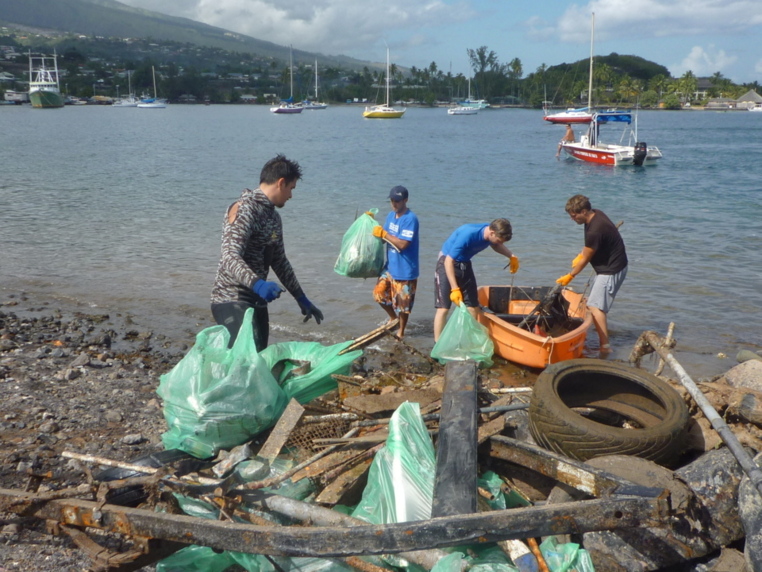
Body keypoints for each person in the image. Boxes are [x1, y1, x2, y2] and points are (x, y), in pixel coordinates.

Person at [210, 154, 323, 351]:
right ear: (281, 183)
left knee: (259, 359)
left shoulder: (273, 217)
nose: (291, 195)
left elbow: (279, 261)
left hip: (257, 301)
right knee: (244, 357)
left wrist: (301, 297)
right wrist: (258, 284)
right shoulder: (244, 209)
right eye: (291, 188)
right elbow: (229, 256)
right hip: (231, 298)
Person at [556, 194, 627, 354]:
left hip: (611, 270)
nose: (572, 219)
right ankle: (602, 342)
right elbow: (590, 248)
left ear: (583, 211)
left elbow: (586, 259)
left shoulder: (595, 229)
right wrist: (581, 254)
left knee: (596, 307)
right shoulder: (596, 214)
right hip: (610, 267)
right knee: (594, 304)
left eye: (574, 216)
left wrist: (571, 275)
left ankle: (605, 347)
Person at [434, 219, 519, 341]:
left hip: (465, 263)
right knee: (443, 308)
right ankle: (437, 344)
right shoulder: (468, 234)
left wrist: (511, 256)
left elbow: (496, 245)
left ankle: (468, 341)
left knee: (473, 307)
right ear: (492, 233)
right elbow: (449, 261)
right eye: (499, 240)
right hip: (446, 262)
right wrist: (455, 288)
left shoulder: (492, 235)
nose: (499, 243)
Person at [371, 185, 420, 338]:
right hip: (390, 267)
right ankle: (393, 319)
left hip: (405, 270)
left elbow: (403, 244)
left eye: (397, 201)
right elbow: (383, 238)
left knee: (403, 306)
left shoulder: (410, 219)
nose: (394, 204)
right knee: (378, 294)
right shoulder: (391, 216)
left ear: (405, 200)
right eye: (392, 200)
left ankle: (401, 332)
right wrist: (370, 223)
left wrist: (384, 234)